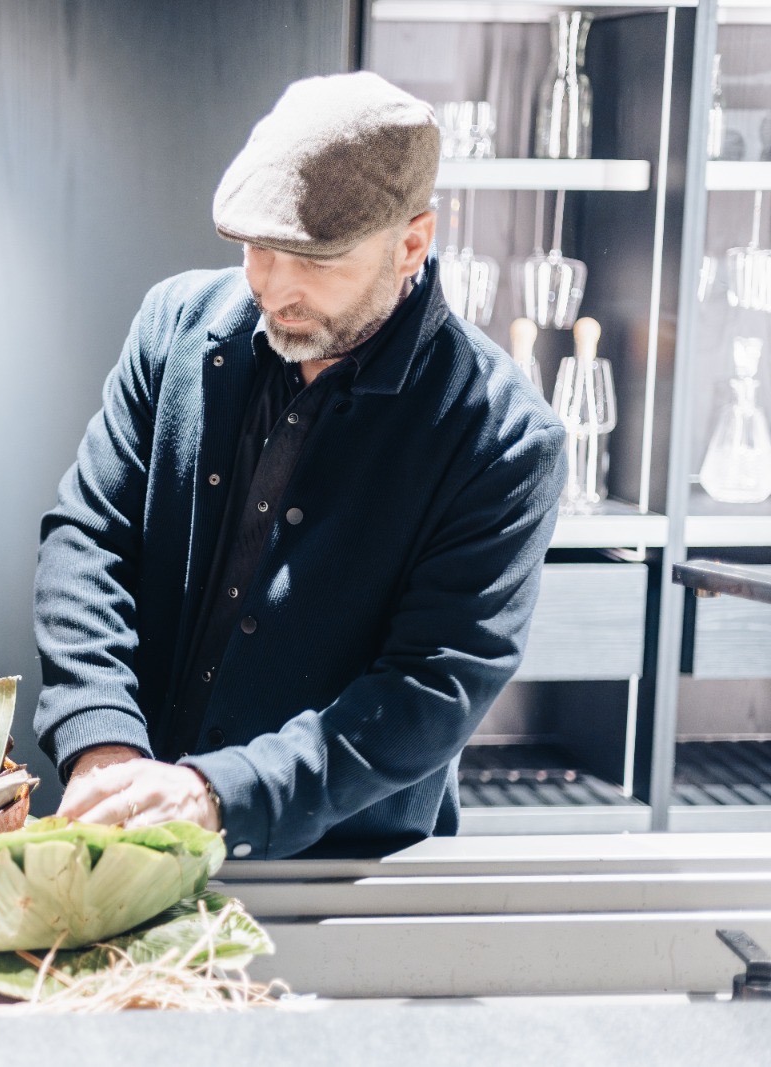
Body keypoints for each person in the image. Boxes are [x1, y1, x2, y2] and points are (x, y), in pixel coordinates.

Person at [33, 72, 568, 860]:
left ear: (411, 243)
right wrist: (101, 738)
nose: (274, 288)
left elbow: (426, 687)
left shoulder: (503, 438)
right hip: (127, 835)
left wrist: (219, 795)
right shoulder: (174, 327)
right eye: (258, 249)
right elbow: (88, 540)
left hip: (338, 872)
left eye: (315, 260)